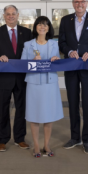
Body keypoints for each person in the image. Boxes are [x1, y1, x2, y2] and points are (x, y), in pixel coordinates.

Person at [58, 0, 88, 154]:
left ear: (87, 3)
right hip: (71, 68)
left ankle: (87, 140)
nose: (80, 4)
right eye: (77, 1)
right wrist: (69, 51)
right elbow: (61, 42)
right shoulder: (65, 20)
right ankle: (75, 137)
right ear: (73, 3)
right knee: (72, 103)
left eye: (82, 1)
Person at [0, 5, 31, 152]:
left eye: (13, 14)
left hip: (21, 78)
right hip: (3, 78)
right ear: (4, 16)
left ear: (18, 15)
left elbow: (30, 53)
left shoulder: (27, 32)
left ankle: (20, 138)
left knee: (21, 109)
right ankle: (2, 139)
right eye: (8, 14)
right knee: (2, 109)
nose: (11, 16)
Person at [21, 16, 63, 158]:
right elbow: (22, 65)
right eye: (39, 24)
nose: (42, 27)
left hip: (50, 84)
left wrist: (56, 60)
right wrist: (32, 61)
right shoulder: (28, 45)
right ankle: (37, 146)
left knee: (48, 115)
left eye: (45, 25)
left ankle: (47, 145)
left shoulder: (54, 44)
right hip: (34, 84)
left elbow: (58, 61)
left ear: (49, 28)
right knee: (34, 115)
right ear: (35, 27)